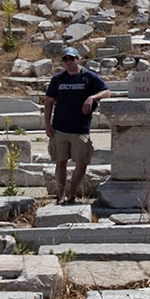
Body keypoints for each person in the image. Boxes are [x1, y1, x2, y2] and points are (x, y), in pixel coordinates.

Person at [43, 46, 109, 203]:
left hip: (81, 129)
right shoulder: (58, 79)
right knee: (60, 163)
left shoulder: (88, 76)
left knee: (81, 163)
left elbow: (106, 91)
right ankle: (60, 195)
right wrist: (47, 125)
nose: (68, 62)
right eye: (65, 59)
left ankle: (72, 194)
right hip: (60, 128)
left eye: (71, 58)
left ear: (78, 59)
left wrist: (92, 97)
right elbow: (48, 102)